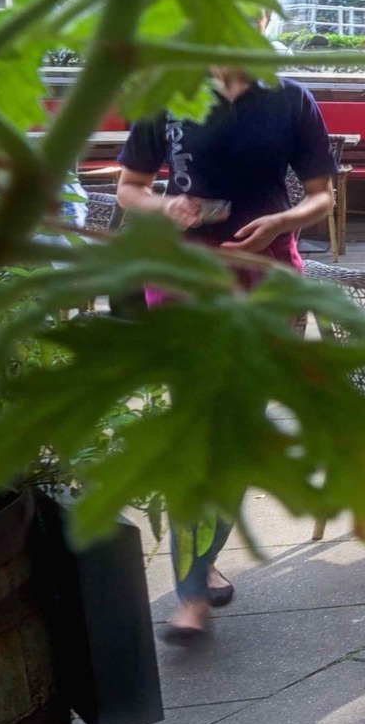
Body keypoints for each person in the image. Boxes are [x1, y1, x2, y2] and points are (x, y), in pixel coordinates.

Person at [114, 68, 337, 642]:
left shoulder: (292, 100)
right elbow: (129, 187)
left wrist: (280, 223)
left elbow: (321, 198)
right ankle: (191, 592)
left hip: (267, 272)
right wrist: (165, 208)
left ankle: (202, 557)